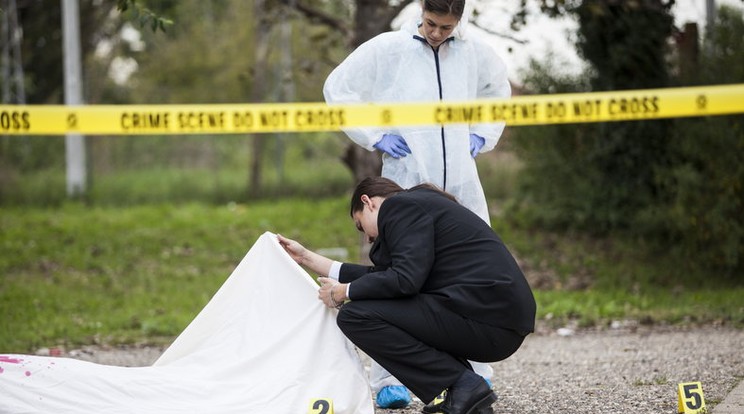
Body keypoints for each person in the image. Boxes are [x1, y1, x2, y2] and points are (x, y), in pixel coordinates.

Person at [323, 0, 511, 406]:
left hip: (461, 185)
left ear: (459, 21)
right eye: (431, 23)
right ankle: (387, 382)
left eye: (447, 27)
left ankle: (473, 376)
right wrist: (373, 136)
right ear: (421, 12)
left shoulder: (474, 53)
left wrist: (482, 134)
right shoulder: (388, 48)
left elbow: (498, 90)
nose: (437, 33)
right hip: (405, 181)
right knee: (395, 274)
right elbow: (338, 88)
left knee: (466, 277)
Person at [277, 177, 536, 414]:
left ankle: (461, 383)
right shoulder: (418, 206)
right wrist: (307, 257)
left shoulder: (400, 206)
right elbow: (383, 275)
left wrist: (344, 292)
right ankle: (464, 390)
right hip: (493, 319)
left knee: (356, 316)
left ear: (368, 202)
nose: (367, 238)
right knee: (377, 302)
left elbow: (404, 280)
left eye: (360, 225)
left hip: (487, 319)